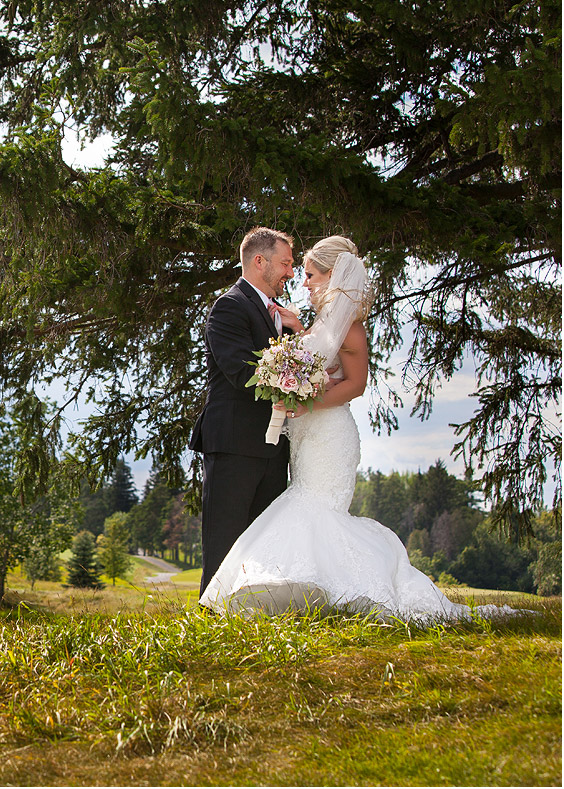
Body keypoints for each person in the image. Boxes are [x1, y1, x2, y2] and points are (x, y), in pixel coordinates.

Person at [199, 236, 523, 623]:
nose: (297, 278)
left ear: (332, 276)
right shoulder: (243, 309)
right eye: (288, 266)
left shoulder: (340, 324)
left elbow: (350, 381)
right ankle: (220, 611)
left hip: (318, 435)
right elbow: (252, 369)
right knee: (239, 530)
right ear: (258, 262)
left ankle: (305, 597)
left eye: (305, 271)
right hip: (258, 439)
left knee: (310, 516)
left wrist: (302, 400)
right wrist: (299, 342)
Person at [190, 227, 301, 598]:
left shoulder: (279, 316)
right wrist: (296, 386)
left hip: (272, 447)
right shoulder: (230, 306)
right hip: (235, 444)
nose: (290, 271)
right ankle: (208, 619)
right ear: (259, 261)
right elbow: (241, 372)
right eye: (285, 263)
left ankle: (252, 615)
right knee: (224, 541)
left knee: (263, 543)